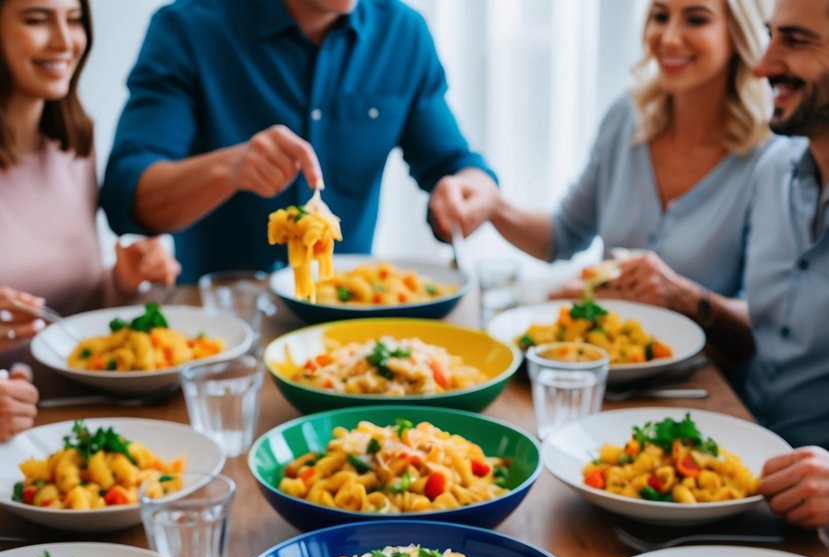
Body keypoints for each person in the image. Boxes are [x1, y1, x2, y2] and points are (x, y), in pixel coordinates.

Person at [100, 0, 498, 284]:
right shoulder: (187, 28)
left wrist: (473, 189)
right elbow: (126, 197)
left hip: (346, 317)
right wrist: (228, 168)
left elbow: (453, 164)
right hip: (223, 329)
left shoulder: (403, 33)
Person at [481, 0, 770, 352]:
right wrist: (491, 205)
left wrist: (687, 298)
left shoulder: (772, 158)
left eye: (696, 20)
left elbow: (766, 323)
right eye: (660, 16)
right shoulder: (626, 117)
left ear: (739, 35)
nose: (669, 37)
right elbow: (561, 236)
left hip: (706, 383)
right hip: (602, 364)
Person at [0, 0, 179, 389]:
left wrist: (121, 281)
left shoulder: (74, 147)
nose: (66, 41)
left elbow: (77, 309)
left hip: (89, 402)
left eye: (74, 20)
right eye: (36, 20)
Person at [738, 0, 829, 527]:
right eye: (771, 37)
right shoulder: (774, 169)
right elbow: (769, 332)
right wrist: (693, 302)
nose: (763, 65)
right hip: (743, 483)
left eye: (794, 41)